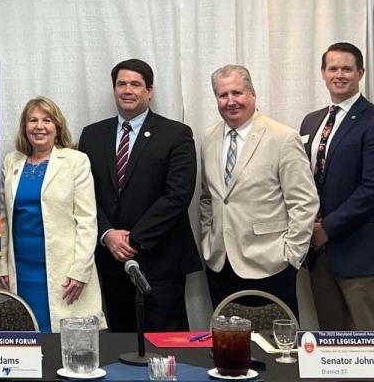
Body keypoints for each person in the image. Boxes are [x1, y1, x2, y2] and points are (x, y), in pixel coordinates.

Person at [78, 59, 201, 332]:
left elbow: (178, 196)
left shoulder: (176, 134)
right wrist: (108, 234)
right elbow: (83, 195)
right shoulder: (92, 135)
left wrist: (134, 239)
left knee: (165, 348)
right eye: (121, 84)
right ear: (114, 90)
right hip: (110, 261)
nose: (128, 90)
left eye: (135, 84)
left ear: (150, 91)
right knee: (119, 344)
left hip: (160, 261)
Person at [199, 64, 318, 318]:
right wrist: (208, 238)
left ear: (253, 94)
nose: (230, 101)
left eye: (237, 93)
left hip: (270, 264)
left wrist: (291, 255)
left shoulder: (282, 137)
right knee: (227, 348)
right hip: (220, 263)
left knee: (275, 350)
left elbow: (304, 202)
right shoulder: (209, 138)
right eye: (223, 95)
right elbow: (207, 197)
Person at [0, 96, 105, 332]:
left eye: (47, 120)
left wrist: (80, 271)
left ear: (57, 127)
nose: (39, 126)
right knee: (28, 335)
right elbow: (3, 219)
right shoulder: (11, 162)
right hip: (22, 269)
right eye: (32, 120)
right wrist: (2, 264)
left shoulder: (76, 161)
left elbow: (87, 221)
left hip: (65, 271)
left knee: (64, 338)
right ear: (24, 127)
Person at [300, 42, 374, 330]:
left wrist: (327, 228)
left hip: (359, 253)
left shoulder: (370, 119)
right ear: (323, 73)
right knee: (330, 347)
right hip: (318, 255)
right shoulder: (311, 121)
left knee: (366, 347)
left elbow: (370, 188)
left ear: (361, 73)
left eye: (347, 68)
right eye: (333, 68)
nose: (339, 74)